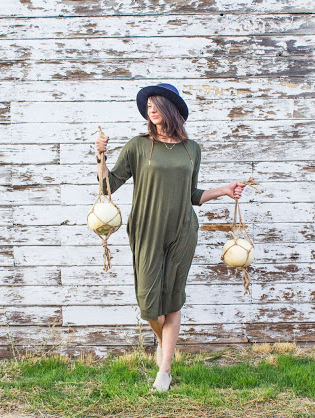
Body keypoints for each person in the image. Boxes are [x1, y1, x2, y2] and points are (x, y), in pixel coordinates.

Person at [94, 83, 246, 392]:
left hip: (182, 230)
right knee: (149, 303)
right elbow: (108, 185)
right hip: (146, 230)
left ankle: (164, 369)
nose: (150, 108)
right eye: (147, 104)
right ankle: (166, 346)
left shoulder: (192, 149)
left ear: (170, 108)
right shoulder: (138, 146)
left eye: (156, 103)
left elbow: (192, 194)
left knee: (173, 300)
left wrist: (224, 190)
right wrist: (100, 155)